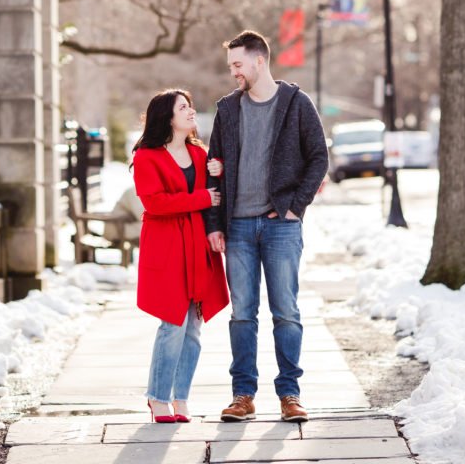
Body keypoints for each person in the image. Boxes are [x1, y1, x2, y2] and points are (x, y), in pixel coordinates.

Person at [204, 30, 328, 423]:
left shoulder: (296, 103)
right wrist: (214, 224)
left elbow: (319, 157)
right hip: (237, 228)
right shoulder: (228, 109)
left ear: (260, 60)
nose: (234, 72)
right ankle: (243, 395)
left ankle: (290, 394)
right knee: (242, 313)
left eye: (238, 64)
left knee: (286, 311)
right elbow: (213, 170)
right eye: (231, 66)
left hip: (281, 227)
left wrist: (295, 207)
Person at [133, 89, 229, 423]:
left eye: (190, 106)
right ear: (167, 117)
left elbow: (218, 193)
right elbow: (154, 203)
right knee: (172, 323)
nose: (191, 112)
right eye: (183, 107)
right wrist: (202, 197)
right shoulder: (147, 157)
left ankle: (181, 397)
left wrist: (219, 170)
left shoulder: (199, 154)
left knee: (193, 328)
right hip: (167, 247)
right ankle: (158, 397)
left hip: (197, 246)